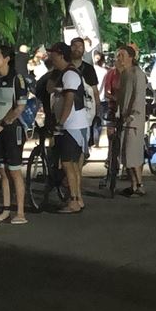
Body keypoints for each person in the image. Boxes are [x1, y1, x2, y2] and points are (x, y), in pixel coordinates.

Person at [0, 41, 29, 226]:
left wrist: (3, 123)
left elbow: (19, 107)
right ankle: (5, 210)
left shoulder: (17, 79)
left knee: (14, 171)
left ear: (7, 59)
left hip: (11, 129)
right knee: (1, 170)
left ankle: (20, 212)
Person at [48, 40, 91, 210]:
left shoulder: (69, 75)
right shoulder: (64, 73)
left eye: (53, 54)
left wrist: (61, 122)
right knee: (72, 164)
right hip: (75, 125)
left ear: (60, 55)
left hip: (72, 126)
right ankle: (78, 198)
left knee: (68, 163)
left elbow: (69, 100)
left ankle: (73, 200)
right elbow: (51, 89)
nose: (51, 57)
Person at [114, 43, 148, 195]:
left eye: (122, 55)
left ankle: (139, 184)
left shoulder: (137, 74)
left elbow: (138, 96)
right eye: (118, 55)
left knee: (132, 152)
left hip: (133, 120)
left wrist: (133, 114)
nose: (119, 58)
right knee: (126, 154)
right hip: (125, 118)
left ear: (131, 57)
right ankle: (134, 184)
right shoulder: (124, 74)